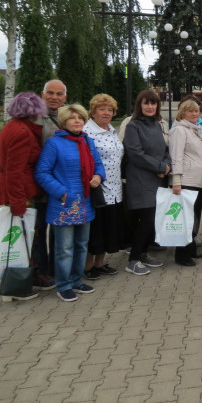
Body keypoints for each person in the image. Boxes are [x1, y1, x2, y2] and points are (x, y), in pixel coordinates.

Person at [35, 104, 105, 301]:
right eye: (72, 118)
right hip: (64, 204)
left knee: (82, 244)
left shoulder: (88, 142)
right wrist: (61, 192)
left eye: (80, 118)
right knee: (64, 248)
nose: (77, 121)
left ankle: (76, 280)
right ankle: (63, 284)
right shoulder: (54, 144)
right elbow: (42, 172)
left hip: (85, 203)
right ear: (64, 121)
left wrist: (99, 176)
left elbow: (98, 164)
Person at [0, 92, 47, 301]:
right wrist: (18, 203)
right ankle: (16, 286)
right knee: (21, 241)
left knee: (18, 240)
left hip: (17, 191)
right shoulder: (22, 132)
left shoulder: (13, 127)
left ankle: (16, 284)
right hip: (21, 194)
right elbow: (15, 170)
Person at [123, 90, 171, 276]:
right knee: (146, 219)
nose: (150, 107)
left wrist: (166, 165)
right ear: (139, 105)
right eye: (146, 103)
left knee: (152, 220)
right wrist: (160, 167)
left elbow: (165, 149)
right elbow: (135, 153)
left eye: (153, 103)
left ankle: (142, 254)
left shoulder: (157, 125)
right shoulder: (133, 126)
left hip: (157, 178)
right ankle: (133, 259)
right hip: (140, 179)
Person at [82, 94, 125, 280]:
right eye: (102, 109)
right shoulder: (86, 132)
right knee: (95, 230)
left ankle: (100, 264)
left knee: (108, 228)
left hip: (115, 189)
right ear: (93, 111)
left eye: (110, 110)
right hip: (97, 188)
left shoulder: (111, 130)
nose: (107, 113)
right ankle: (87, 267)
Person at [32, 79, 68, 290]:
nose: (54, 97)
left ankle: (55, 269)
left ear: (65, 98)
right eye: (50, 93)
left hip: (60, 187)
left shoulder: (65, 118)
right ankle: (40, 272)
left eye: (59, 94)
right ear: (42, 94)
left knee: (58, 231)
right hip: (39, 185)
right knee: (38, 231)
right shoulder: (34, 118)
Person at [168, 99, 202, 267]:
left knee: (193, 217)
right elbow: (176, 157)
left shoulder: (195, 129)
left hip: (198, 181)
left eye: (196, 111)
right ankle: (181, 255)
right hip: (186, 181)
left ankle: (190, 248)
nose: (194, 114)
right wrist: (176, 181)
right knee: (185, 219)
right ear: (182, 113)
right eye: (190, 111)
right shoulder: (179, 130)